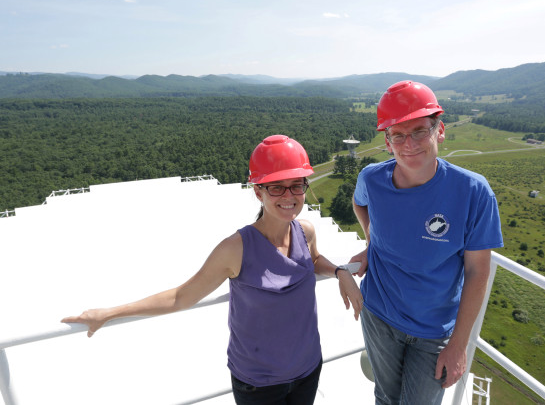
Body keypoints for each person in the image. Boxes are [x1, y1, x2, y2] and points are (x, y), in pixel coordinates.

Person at [62, 134, 363, 405]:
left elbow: (313, 260)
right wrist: (108, 313)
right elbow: (180, 297)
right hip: (259, 385)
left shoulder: (305, 231)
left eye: (297, 185)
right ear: (258, 192)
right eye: (276, 187)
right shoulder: (236, 249)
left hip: (308, 367)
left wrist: (339, 272)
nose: (289, 196)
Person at [349, 81, 503, 405]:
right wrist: (372, 242)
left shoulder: (473, 192)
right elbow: (359, 204)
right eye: (398, 135)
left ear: (440, 130)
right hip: (378, 313)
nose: (410, 144)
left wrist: (458, 345)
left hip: (433, 327)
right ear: (387, 143)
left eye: (420, 131)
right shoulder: (372, 179)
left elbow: (477, 272)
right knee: (386, 397)